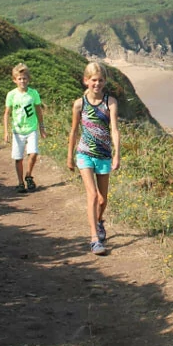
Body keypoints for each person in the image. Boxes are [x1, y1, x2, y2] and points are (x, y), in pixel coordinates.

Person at [66, 62, 120, 255]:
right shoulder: (79, 103)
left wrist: (117, 154)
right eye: (93, 80)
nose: (97, 84)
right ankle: (94, 238)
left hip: (104, 155)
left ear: (104, 81)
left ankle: (99, 221)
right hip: (84, 154)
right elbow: (73, 131)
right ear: (86, 81)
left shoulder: (110, 102)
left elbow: (114, 129)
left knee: (103, 200)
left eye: (100, 80)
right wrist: (69, 157)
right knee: (93, 195)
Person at [3, 63, 46, 194]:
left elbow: (39, 111)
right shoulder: (11, 95)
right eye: (19, 78)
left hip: (32, 128)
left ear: (28, 79)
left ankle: (28, 175)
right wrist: (6, 131)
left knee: (33, 153)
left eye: (24, 78)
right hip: (17, 131)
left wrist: (42, 127)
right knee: (18, 158)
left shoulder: (33, 94)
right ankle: (20, 183)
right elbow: (6, 114)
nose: (22, 81)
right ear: (14, 80)